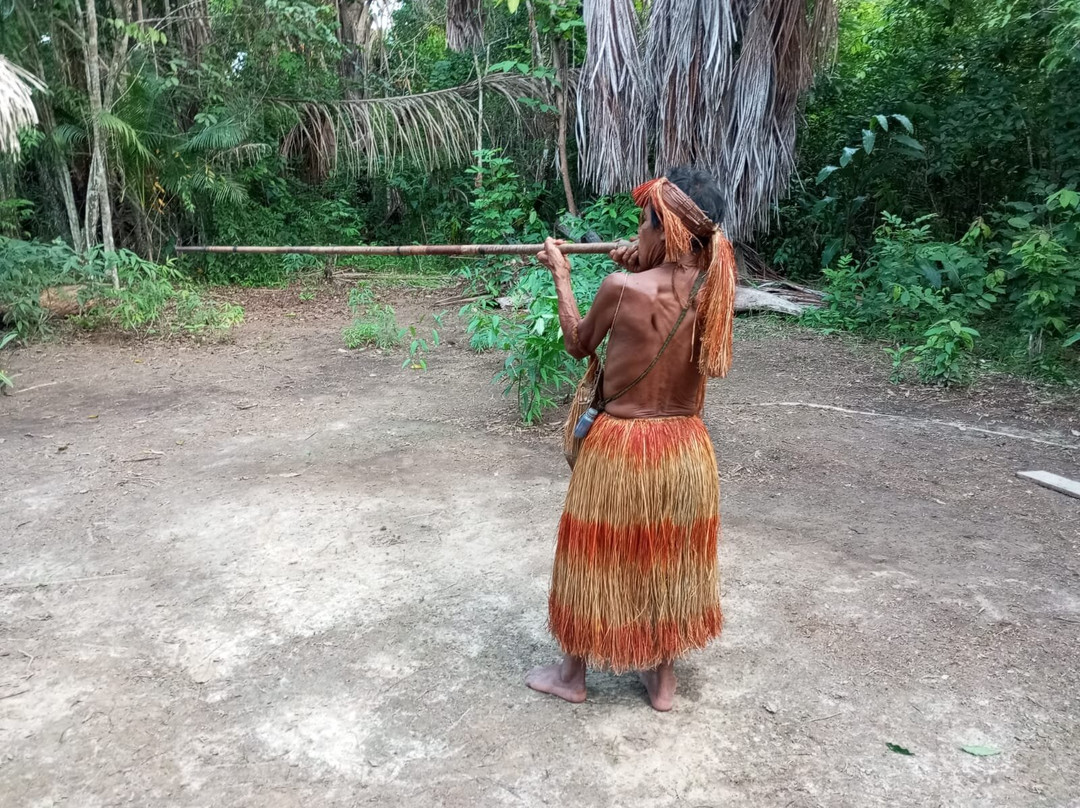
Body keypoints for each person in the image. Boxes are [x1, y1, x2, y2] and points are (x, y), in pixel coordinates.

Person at [526, 166, 737, 712]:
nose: (635, 234)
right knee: (669, 557)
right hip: (685, 450)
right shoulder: (715, 291)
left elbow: (578, 343)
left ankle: (572, 674)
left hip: (621, 448)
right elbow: (670, 294)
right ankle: (662, 682)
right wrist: (646, 263)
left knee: (592, 555)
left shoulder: (621, 287)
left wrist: (562, 274)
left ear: (664, 229)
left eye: (643, 226)